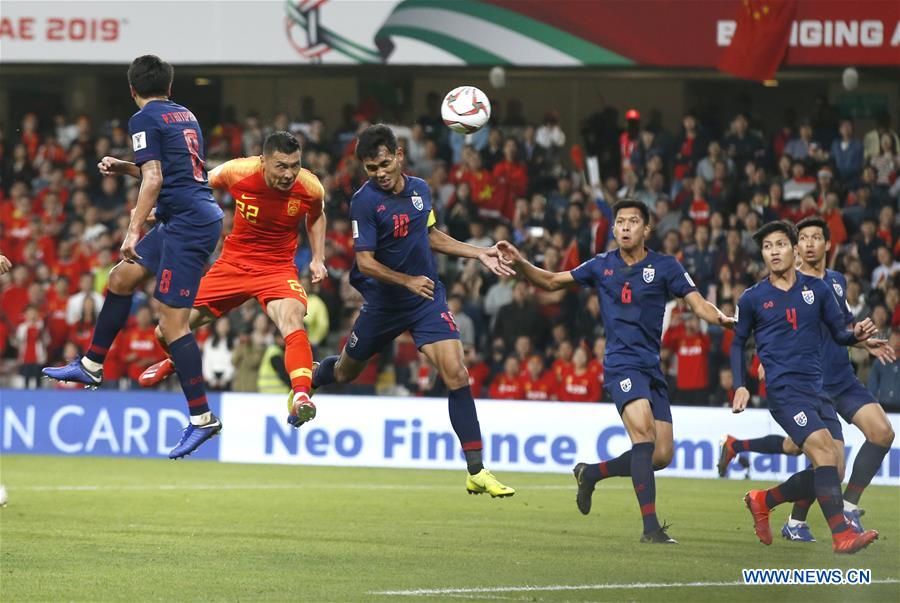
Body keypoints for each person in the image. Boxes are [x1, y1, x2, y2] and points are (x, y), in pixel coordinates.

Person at [500, 199, 734, 543]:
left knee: (661, 454)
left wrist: (721, 319)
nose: (625, 227)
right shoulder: (601, 265)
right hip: (621, 363)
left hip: (651, 366)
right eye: (620, 222)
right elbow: (551, 281)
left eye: (633, 221)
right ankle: (651, 529)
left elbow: (697, 303)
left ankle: (591, 473)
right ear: (614, 229)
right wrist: (521, 263)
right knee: (643, 434)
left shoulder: (666, 266)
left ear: (647, 229)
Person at [310, 124, 516, 498]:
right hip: (385, 303)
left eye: (385, 164)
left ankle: (476, 470)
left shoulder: (421, 189)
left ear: (399, 155)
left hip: (425, 300)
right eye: (372, 169)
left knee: (456, 372)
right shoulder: (365, 201)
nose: (380, 174)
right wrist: (406, 280)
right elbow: (367, 263)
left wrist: (479, 252)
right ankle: (313, 376)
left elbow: (431, 236)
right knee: (345, 370)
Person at [42, 55, 225, 460]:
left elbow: (157, 178)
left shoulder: (143, 118)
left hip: (187, 225)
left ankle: (202, 417)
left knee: (172, 323)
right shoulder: (185, 114)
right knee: (121, 278)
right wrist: (129, 167)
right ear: (170, 86)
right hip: (189, 216)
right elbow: (177, 172)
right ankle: (91, 364)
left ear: (132, 89)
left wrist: (133, 228)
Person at [718, 217, 896, 541]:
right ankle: (832, 531)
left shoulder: (826, 286)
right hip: (792, 388)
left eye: (781, 244)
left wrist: (858, 337)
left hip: (831, 382)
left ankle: (771, 500)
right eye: (768, 246)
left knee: (844, 458)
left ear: (825, 245)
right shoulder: (755, 296)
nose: (808, 243)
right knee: (821, 457)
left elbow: (840, 327)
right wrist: (749, 375)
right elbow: (744, 340)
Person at [135, 131, 325, 428]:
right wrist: (159, 210)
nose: (289, 174)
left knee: (293, 318)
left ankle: (301, 395)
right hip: (233, 265)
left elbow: (316, 215)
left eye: (294, 165)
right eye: (281, 166)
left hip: (276, 268)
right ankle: (175, 361)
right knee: (164, 330)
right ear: (263, 161)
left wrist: (317, 258)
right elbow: (195, 187)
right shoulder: (238, 171)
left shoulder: (310, 187)